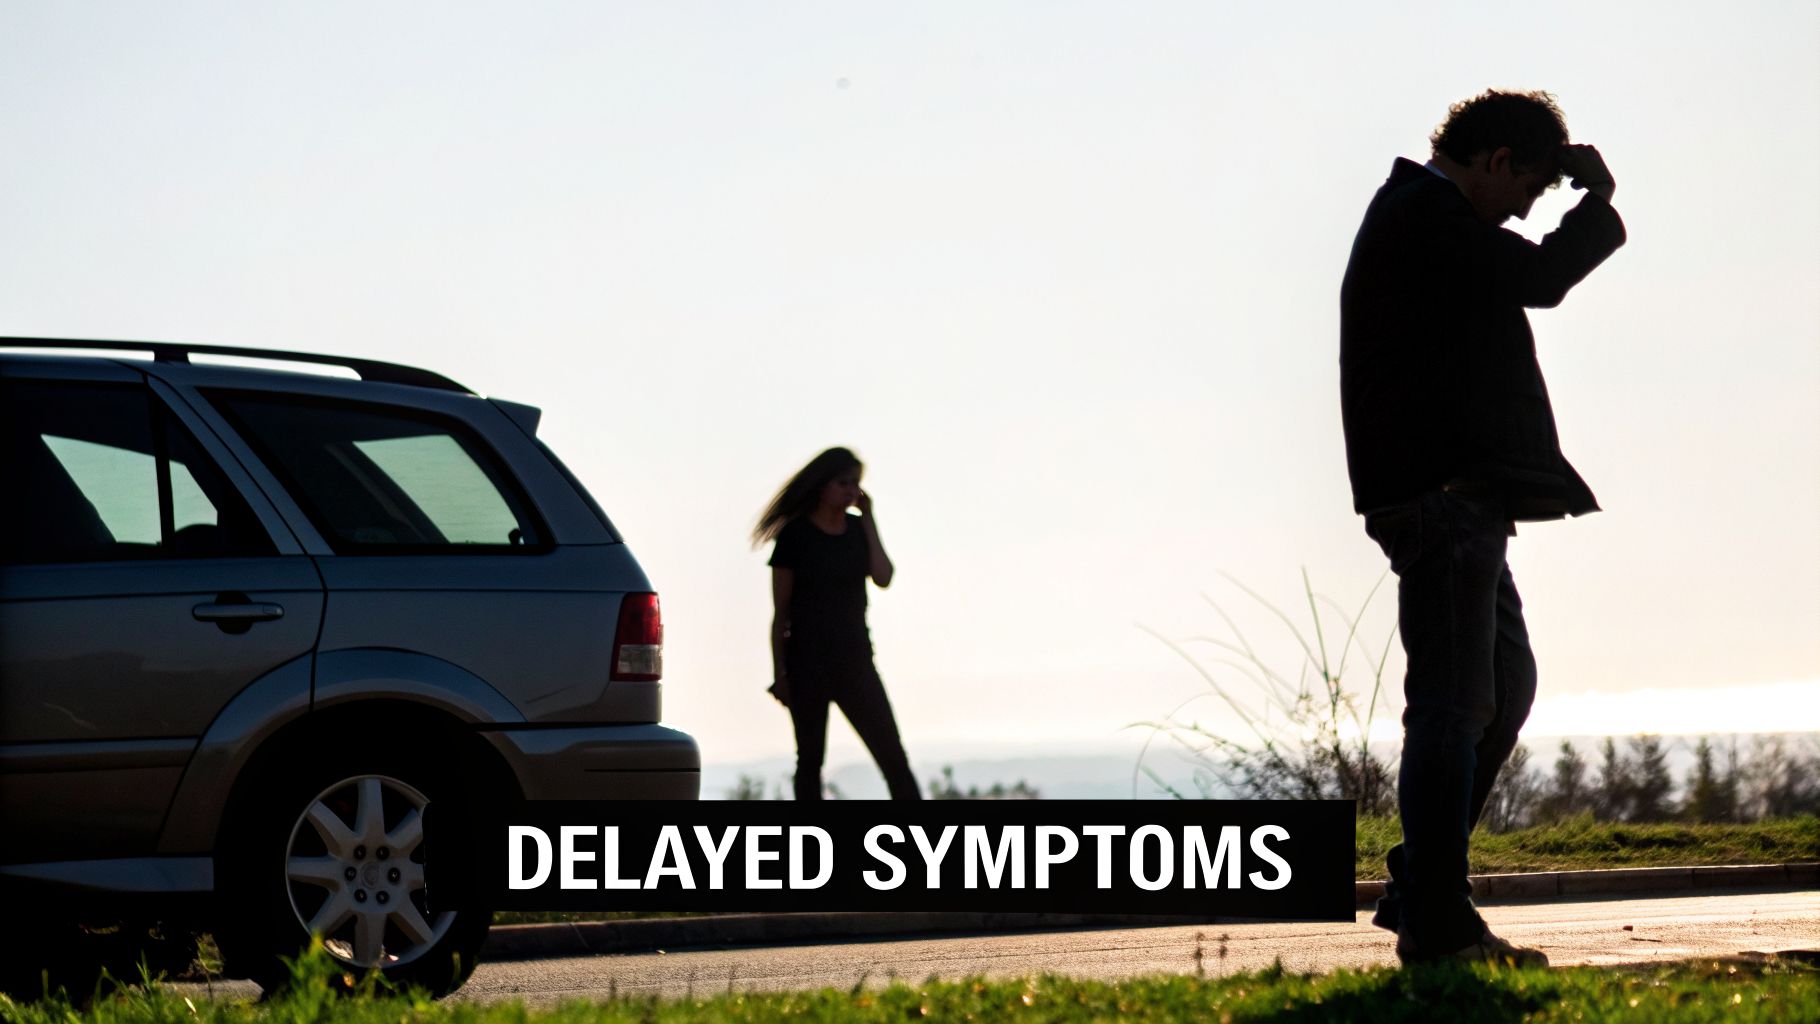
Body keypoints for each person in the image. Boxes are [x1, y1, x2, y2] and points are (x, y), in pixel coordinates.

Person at [1338, 90, 1625, 966]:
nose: (1527, 210)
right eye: (1529, 189)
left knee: (1504, 684)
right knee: (1456, 703)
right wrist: (1598, 202)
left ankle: (1422, 890)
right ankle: (1439, 920)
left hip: (1460, 500)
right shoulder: (1425, 215)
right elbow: (1541, 279)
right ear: (1498, 161)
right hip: (1440, 498)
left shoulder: (1429, 220)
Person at [753, 447, 921, 800]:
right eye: (843, 483)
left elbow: (883, 576)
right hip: (806, 664)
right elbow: (780, 613)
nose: (851, 491)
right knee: (810, 760)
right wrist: (780, 674)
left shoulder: (858, 530)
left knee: (893, 757)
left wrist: (869, 517)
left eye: (855, 484)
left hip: (856, 660)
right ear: (822, 485)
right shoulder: (795, 536)